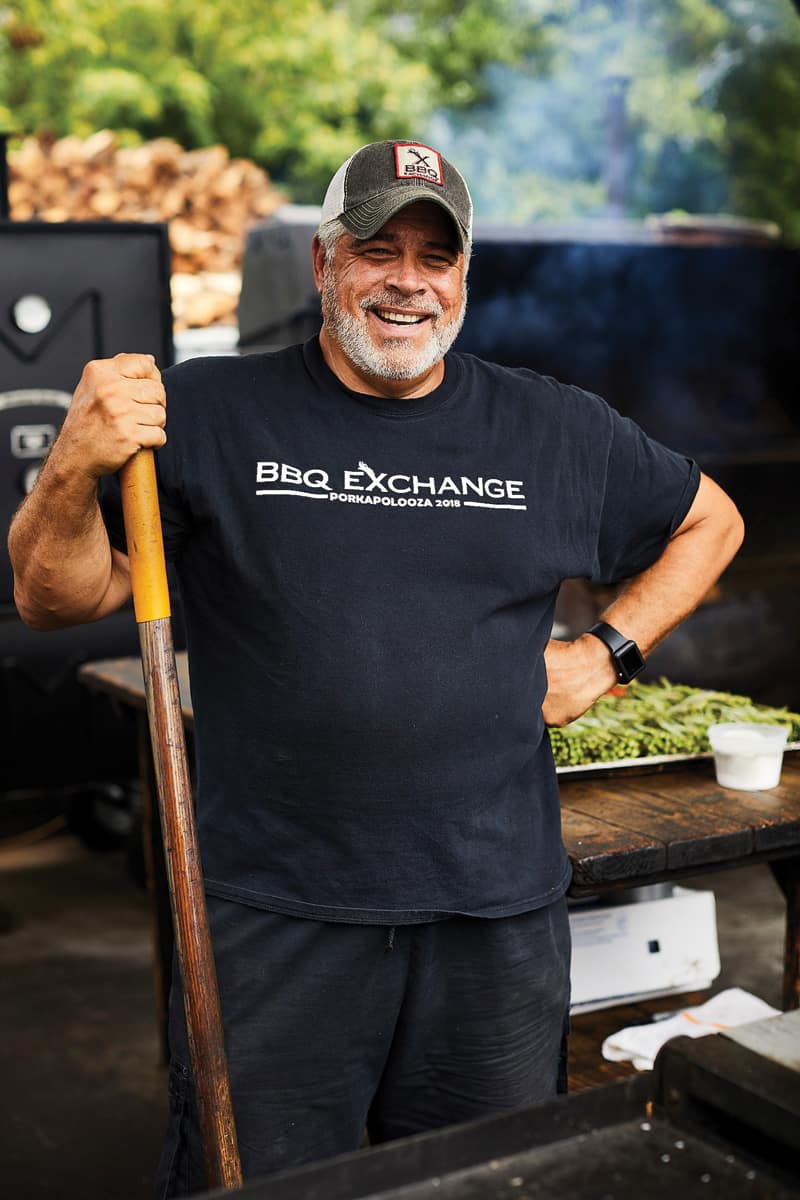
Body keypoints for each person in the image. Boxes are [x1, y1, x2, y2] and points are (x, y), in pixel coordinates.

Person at [8, 139, 744, 1195]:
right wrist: (71, 467)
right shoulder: (210, 413)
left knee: (484, 1181)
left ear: (461, 278)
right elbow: (54, 596)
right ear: (322, 264)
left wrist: (604, 654)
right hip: (274, 919)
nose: (407, 280)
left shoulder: (550, 428)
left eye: (435, 257)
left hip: (490, 923)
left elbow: (709, 522)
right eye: (376, 247)